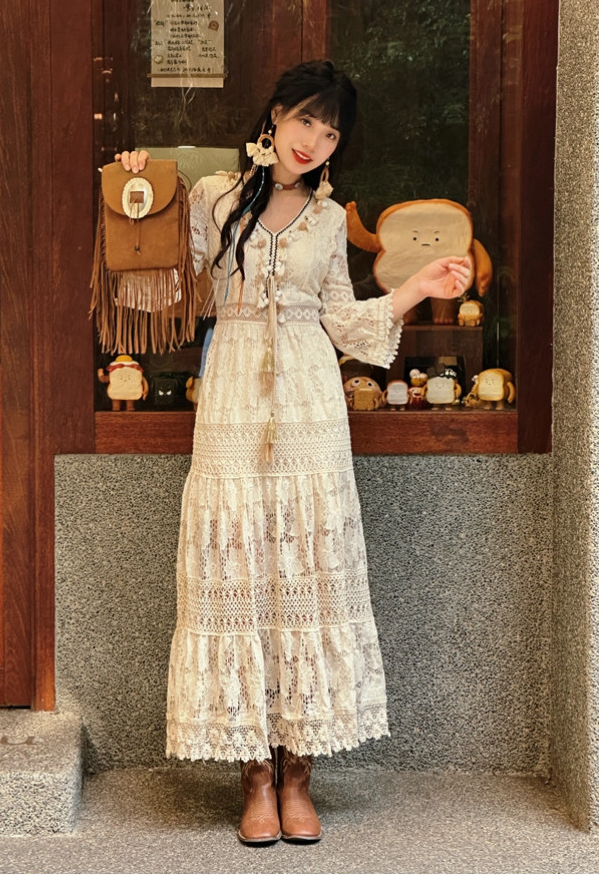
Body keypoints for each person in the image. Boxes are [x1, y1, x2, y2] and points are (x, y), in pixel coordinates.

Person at [115, 59, 470, 845]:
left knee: (308, 569)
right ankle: (253, 776)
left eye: (331, 131)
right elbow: (159, 280)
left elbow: (345, 321)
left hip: (311, 401)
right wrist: (137, 187)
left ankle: (299, 773)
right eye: (306, 119)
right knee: (239, 567)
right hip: (234, 394)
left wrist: (418, 286)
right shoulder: (214, 198)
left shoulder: (329, 217)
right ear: (274, 116)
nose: (315, 139)